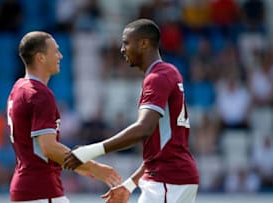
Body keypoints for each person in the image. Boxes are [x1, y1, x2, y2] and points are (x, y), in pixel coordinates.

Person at [63, 19, 199, 203]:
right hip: (172, 178)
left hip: (167, 181)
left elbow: (143, 129)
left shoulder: (157, 78)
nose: (122, 49)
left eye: (126, 42)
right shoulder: (169, 72)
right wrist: (129, 185)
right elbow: (159, 148)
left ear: (143, 43)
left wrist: (90, 151)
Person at [7, 31, 121, 203]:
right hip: (42, 190)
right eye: (55, 51)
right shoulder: (39, 94)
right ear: (41, 58)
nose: (60, 56)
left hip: (26, 187)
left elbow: (37, 148)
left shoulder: (19, 88)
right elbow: (48, 147)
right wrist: (93, 167)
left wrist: (76, 166)